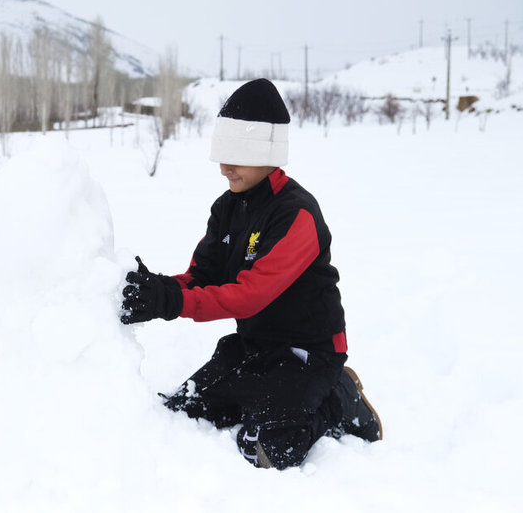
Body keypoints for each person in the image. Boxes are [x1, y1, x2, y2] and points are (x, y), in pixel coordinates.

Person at [120, 79, 382, 470]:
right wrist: (160, 289)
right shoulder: (227, 207)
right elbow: (202, 276)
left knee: (270, 449)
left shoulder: (297, 215)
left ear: (268, 153)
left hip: (307, 352)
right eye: (220, 154)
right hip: (255, 345)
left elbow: (250, 294)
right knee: (183, 409)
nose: (223, 167)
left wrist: (172, 303)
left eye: (236, 156)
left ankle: (337, 396)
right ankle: (269, 392)